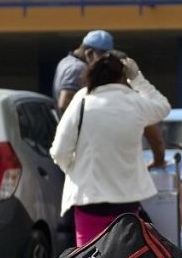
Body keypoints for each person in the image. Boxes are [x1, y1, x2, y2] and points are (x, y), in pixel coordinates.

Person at [50, 52, 172, 247]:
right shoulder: (135, 102)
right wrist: (137, 77)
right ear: (123, 76)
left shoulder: (82, 100)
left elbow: (58, 151)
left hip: (88, 199)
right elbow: (163, 106)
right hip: (127, 200)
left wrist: (74, 170)